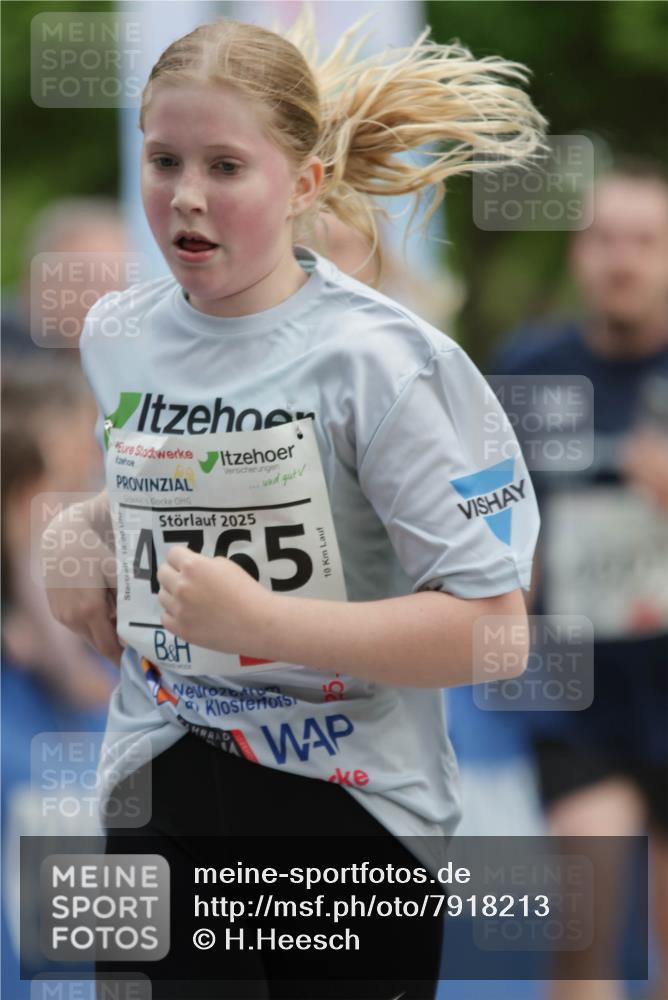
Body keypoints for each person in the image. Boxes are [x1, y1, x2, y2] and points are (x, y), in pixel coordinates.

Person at [42, 10, 545, 998]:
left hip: (345, 811)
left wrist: (264, 625)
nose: (186, 195)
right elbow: (167, 485)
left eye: (225, 166)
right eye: (163, 160)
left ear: (305, 185)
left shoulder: (384, 363)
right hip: (161, 772)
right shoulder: (116, 334)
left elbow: (495, 635)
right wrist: (78, 530)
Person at [493, 163, 668, 1000]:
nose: (622, 260)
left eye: (645, 241)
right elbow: (491, 526)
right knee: (586, 926)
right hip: (576, 686)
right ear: (576, 253)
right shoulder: (530, 370)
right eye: (604, 240)